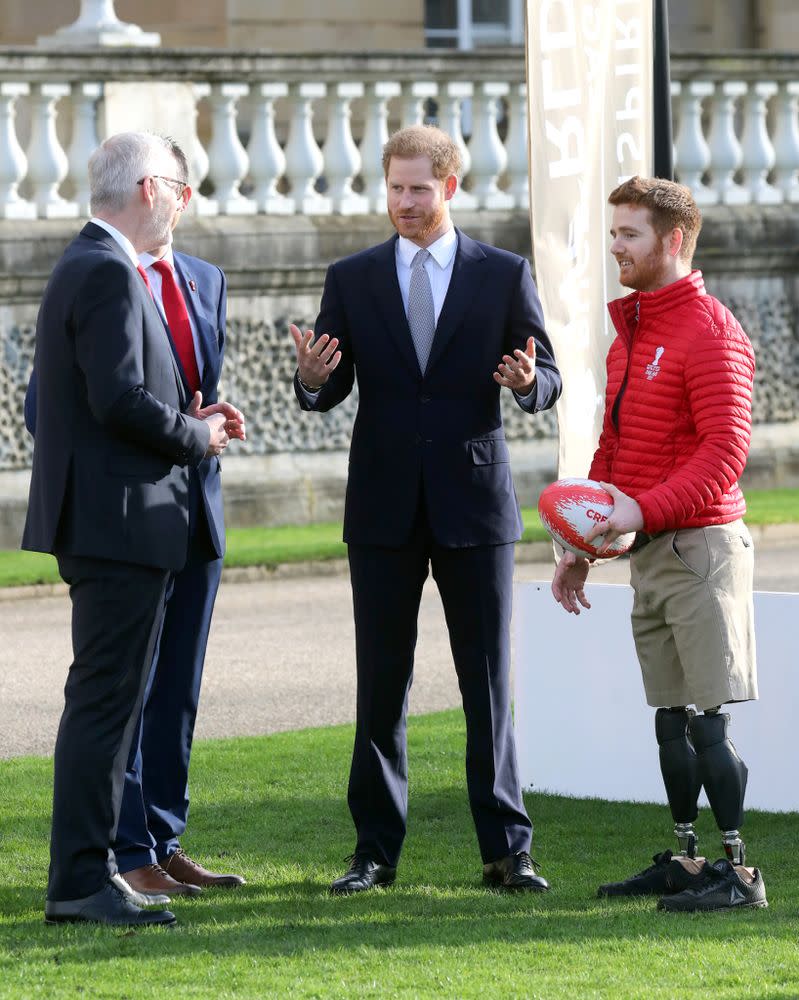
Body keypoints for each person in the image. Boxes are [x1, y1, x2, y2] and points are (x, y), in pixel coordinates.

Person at [290, 125, 561, 895]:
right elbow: (328, 389)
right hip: (380, 509)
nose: (403, 202)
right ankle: (373, 854)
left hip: (474, 506)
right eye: (394, 187)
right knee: (380, 685)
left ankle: (508, 851)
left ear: (450, 187)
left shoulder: (503, 275)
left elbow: (547, 378)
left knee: (487, 685)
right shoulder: (352, 276)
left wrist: (523, 385)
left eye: (418, 188)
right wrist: (311, 378)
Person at [23, 131, 244, 927]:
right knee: (106, 707)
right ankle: (82, 882)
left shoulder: (91, 263)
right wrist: (200, 437)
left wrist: (188, 419)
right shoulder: (108, 269)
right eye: (182, 190)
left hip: (118, 524)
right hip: (118, 527)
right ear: (152, 189)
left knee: (109, 704)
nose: (184, 205)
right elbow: (117, 400)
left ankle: (93, 875)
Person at [551, 176, 766, 912]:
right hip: (651, 551)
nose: (614, 246)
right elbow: (612, 448)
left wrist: (638, 510)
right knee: (670, 717)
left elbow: (722, 456)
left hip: (700, 550)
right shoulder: (634, 331)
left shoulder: (710, 330)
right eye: (613, 233)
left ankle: (739, 876)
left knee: (707, 719)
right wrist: (579, 546)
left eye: (628, 234)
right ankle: (685, 856)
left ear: (672, 240)